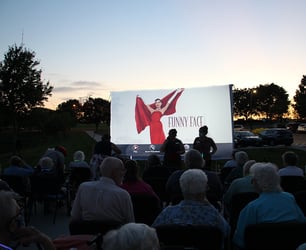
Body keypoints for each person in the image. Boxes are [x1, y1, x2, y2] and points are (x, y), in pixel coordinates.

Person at [232, 162, 306, 249]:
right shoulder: (289, 198)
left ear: (258, 183)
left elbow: (240, 240)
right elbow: (302, 222)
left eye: (253, 180)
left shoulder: (253, 207)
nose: (252, 183)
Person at [152, 169, 230, 240]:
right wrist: (210, 206)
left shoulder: (167, 214)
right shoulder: (213, 216)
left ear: (181, 188)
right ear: (205, 188)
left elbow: (153, 232)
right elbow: (227, 232)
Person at [71, 156, 135, 223]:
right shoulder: (123, 195)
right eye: (122, 170)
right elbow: (130, 222)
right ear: (115, 172)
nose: (123, 174)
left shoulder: (83, 187)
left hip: (86, 232)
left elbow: (75, 216)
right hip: (115, 232)